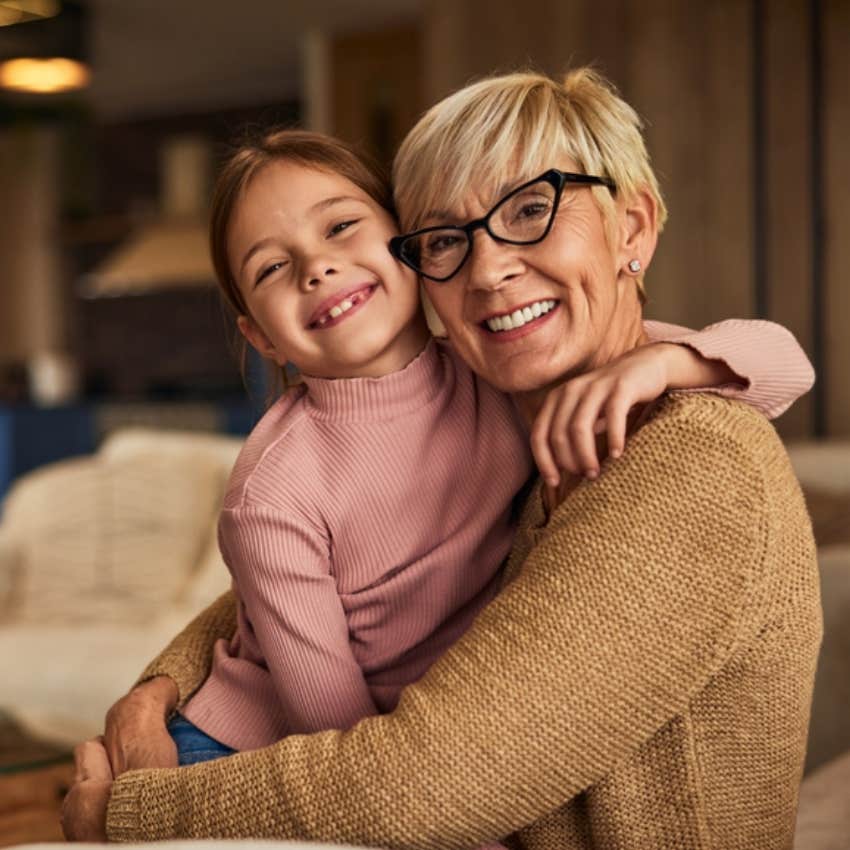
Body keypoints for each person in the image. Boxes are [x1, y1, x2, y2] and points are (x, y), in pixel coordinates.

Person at [63, 67, 819, 850]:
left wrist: (125, 812)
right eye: (449, 241)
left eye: (532, 208)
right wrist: (161, 687)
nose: (489, 270)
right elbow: (295, 588)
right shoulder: (527, 403)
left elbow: (409, 789)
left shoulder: (687, 458)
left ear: (633, 228)